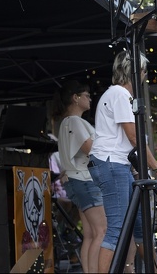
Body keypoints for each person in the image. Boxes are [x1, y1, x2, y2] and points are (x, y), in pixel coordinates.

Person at [88, 50, 157, 273]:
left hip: (118, 164)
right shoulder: (120, 94)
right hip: (111, 163)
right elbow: (133, 138)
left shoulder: (118, 95)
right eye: (143, 71)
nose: (144, 75)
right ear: (135, 71)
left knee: (141, 228)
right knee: (116, 229)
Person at [52, 80, 107, 273]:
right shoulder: (74, 121)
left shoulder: (67, 123)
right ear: (76, 98)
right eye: (87, 95)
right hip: (84, 180)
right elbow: (90, 148)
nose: (90, 99)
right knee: (102, 231)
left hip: (77, 180)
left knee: (91, 234)